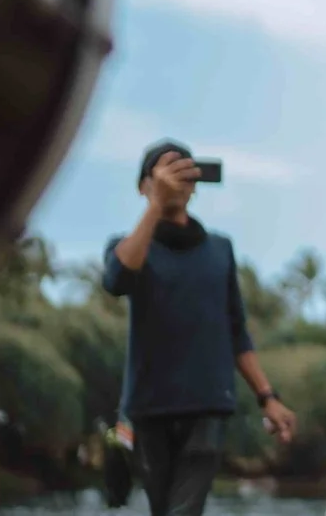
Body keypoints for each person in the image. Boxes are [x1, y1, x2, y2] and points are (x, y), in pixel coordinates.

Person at [102, 141, 298, 516]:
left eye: (183, 173)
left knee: (184, 510)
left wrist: (267, 396)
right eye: (163, 174)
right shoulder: (125, 247)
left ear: (195, 184)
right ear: (144, 186)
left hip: (207, 402)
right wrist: (157, 204)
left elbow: (236, 330)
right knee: (164, 509)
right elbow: (117, 280)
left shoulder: (220, 249)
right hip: (147, 405)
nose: (175, 182)